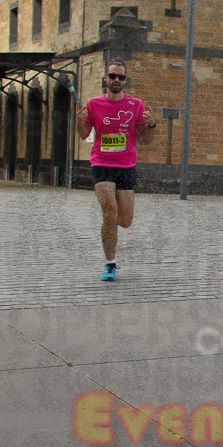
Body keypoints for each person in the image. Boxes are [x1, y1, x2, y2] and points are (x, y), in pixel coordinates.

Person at [76, 60, 156, 281]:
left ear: (125, 81)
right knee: (109, 212)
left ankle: (110, 228)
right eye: (113, 76)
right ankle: (110, 264)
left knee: (125, 220)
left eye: (121, 78)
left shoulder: (136, 105)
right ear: (106, 79)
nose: (117, 81)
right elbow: (84, 135)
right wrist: (78, 121)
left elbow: (146, 138)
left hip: (126, 165)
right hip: (101, 163)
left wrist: (151, 124)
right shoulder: (93, 104)